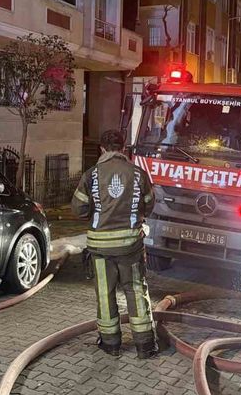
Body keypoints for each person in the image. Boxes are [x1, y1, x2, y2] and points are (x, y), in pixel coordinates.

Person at [71, 129, 157, 359]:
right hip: (130, 247)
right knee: (135, 290)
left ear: (102, 149)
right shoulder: (138, 174)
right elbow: (149, 204)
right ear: (123, 148)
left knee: (105, 293)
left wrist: (98, 211)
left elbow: (78, 208)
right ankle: (145, 345)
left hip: (100, 248)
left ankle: (111, 344)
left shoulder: (91, 175)